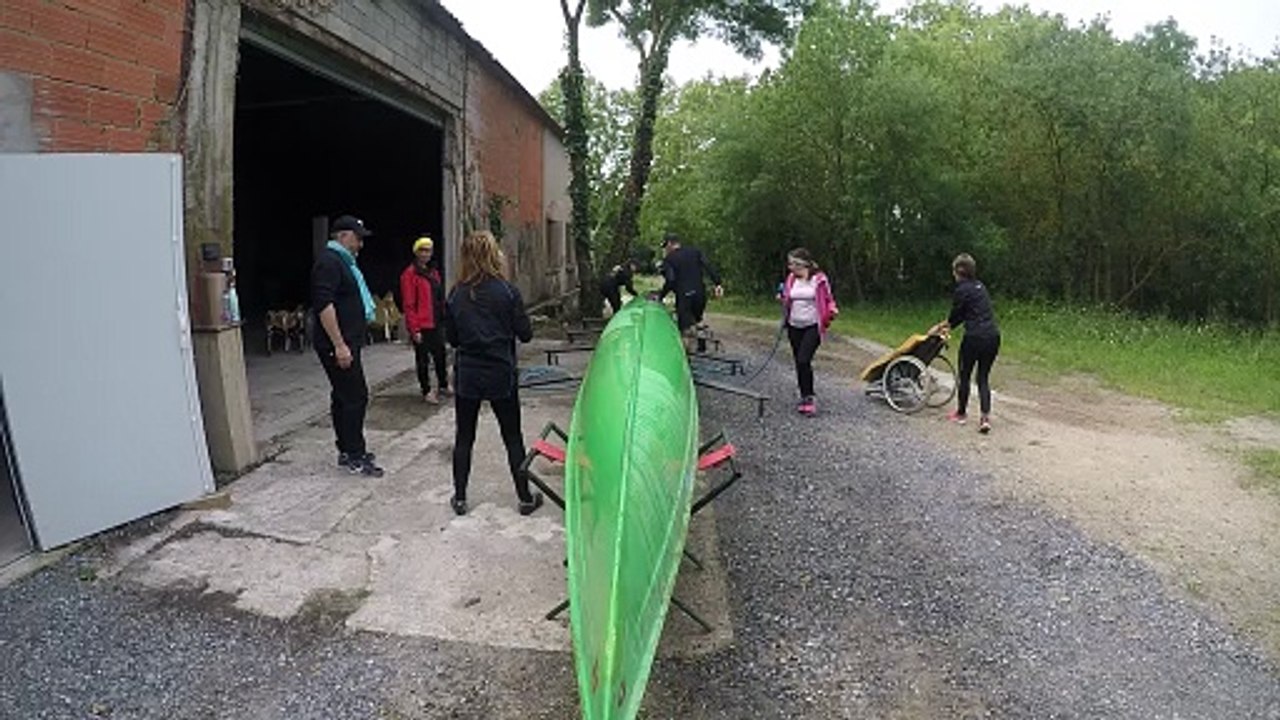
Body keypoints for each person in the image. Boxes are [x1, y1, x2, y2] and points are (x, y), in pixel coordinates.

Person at [444, 230, 542, 517]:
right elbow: (525, 335)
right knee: (512, 437)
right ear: (493, 255)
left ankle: (460, 498)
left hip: (469, 374)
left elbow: (453, 339)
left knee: (464, 437)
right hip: (501, 371)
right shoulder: (508, 292)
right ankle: (524, 498)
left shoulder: (456, 294)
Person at [311, 214, 384, 477]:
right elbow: (324, 305)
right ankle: (355, 455)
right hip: (338, 344)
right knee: (356, 396)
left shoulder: (343, 262)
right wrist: (339, 344)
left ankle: (345, 448)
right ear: (342, 236)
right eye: (357, 238)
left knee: (342, 396)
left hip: (348, 341)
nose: (360, 245)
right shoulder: (330, 263)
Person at [930, 253, 1001, 434]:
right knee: (983, 378)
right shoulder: (980, 287)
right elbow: (965, 314)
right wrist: (948, 325)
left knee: (965, 375)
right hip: (993, 337)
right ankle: (985, 418)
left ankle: (961, 414)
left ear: (958, 271)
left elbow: (956, 315)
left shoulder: (961, 289)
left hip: (974, 338)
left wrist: (942, 327)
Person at [778, 248, 839, 416]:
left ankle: (810, 397)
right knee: (799, 361)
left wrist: (832, 311)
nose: (790, 267)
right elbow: (787, 297)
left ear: (801, 263)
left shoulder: (819, 279)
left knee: (804, 359)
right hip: (794, 325)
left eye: (792, 263)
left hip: (812, 325)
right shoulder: (791, 279)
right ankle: (804, 396)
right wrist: (782, 298)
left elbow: (829, 299)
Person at [401, 236, 449, 404]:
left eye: (428, 250)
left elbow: (439, 298)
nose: (426, 254)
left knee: (441, 355)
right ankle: (426, 390)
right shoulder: (409, 275)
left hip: (436, 321)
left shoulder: (433, 273)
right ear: (416, 252)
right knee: (422, 359)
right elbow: (409, 304)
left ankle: (443, 384)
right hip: (422, 324)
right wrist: (414, 329)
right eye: (422, 250)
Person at [656, 232, 723, 352]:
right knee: (697, 320)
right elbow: (708, 266)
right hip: (700, 295)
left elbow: (670, 280)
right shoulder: (695, 252)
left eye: (666, 246)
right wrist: (718, 283)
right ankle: (700, 346)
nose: (665, 249)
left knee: (685, 329)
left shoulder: (669, 259)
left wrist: (661, 296)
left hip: (684, 297)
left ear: (670, 244)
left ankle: (686, 360)